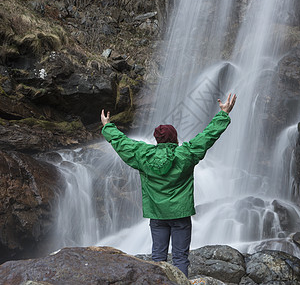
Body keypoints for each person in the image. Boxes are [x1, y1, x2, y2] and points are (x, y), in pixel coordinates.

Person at [100, 93, 237, 277]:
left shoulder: (143, 155)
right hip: (180, 214)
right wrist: (223, 114)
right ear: (176, 138)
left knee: (158, 257)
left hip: (157, 214)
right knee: (180, 257)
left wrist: (108, 127)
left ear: (157, 140)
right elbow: (207, 137)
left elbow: (122, 143)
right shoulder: (186, 154)